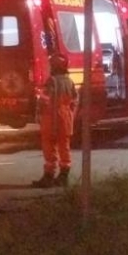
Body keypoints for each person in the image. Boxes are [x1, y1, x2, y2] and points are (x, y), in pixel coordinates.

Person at [32, 53, 78, 188]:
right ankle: (64, 176)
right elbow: (75, 101)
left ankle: (48, 177)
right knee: (64, 147)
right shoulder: (69, 82)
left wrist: (38, 115)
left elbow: (44, 101)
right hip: (65, 119)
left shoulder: (51, 81)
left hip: (50, 119)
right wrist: (69, 114)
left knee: (49, 148)